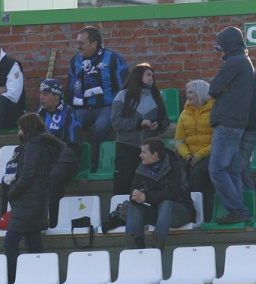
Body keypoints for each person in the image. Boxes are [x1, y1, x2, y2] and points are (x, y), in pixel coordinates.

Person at [4, 112, 63, 284]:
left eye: (21, 128)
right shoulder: (43, 143)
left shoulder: (33, 145)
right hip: (37, 201)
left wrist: (12, 192)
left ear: (28, 128)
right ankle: (40, 278)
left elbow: (28, 174)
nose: (19, 132)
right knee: (34, 243)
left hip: (27, 201)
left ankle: (14, 279)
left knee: (11, 242)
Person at [65, 26, 128, 172]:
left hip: (107, 107)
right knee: (70, 125)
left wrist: (121, 111)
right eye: (77, 43)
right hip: (83, 108)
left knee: (100, 128)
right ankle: (69, 163)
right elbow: (70, 89)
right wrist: (67, 112)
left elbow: (124, 87)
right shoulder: (75, 61)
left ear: (94, 44)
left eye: (81, 43)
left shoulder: (113, 58)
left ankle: (92, 166)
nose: (78, 47)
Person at [208, 26, 254, 224]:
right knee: (232, 170)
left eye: (220, 46)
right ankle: (239, 210)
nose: (219, 51)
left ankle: (238, 210)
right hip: (237, 123)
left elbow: (213, 88)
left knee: (217, 169)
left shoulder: (234, 62)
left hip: (227, 122)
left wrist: (223, 87)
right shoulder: (244, 61)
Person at [125, 138, 195, 251]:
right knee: (132, 206)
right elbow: (134, 190)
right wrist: (135, 195)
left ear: (155, 155)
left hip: (181, 212)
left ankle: (158, 241)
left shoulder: (174, 166)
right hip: (158, 214)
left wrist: (146, 197)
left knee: (166, 203)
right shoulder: (142, 167)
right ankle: (135, 243)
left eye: (144, 152)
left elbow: (172, 194)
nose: (140, 155)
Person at [111, 62, 169, 195]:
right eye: (148, 75)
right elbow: (116, 122)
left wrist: (159, 125)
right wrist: (137, 124)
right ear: (138, 76)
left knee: (147, 186)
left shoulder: (156, 96)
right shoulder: (122, 96)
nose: (151, 79)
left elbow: (165, 120)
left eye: (152, 76)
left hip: (150, 149)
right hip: (126, 147)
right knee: (123, 184)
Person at [38, 78, 83, 228]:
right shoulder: (39, 114)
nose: (41, 97)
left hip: (66, 161)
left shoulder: (70, 113)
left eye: (45, 94)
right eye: (41, 93)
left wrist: (54, 160)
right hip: (44, 160)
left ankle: (53, 222)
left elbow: (75, 145)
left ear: (56, 96)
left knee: (53, 178)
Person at [174, 79, 215, 219]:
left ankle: (200, 215)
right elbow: (178, 141)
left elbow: (219, 141)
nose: (187, 95)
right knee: (178, 171)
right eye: (187, 92)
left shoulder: (215, 111)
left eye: (190, 92)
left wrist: (200, 154)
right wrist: (187, 155)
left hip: (209, 153)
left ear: (200, 93)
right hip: (190, 155)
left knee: (198, 174)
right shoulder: (184, 114)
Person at [239, 68, 256, 192]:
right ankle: (248, 198)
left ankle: (243, 201)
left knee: (237, 169)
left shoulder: (244, 90)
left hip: (243, 129)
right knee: (243, 169)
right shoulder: (253, 80)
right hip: (247, 128)